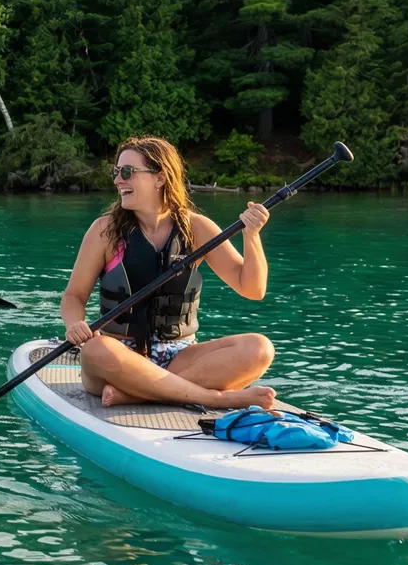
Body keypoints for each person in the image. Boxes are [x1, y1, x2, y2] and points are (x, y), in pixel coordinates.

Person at [58, 135, 279, 411]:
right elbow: (73, 296)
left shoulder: (196, 228)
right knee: (94, 349)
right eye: (116, 172)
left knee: (259, 349)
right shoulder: (104, 231)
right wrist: (73, 324)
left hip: (179, 355)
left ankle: (137, 395)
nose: (117, 180)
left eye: (127, 172)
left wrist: (252, 237)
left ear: (160, 178)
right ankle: (212, 398)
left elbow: (252, 289)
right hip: (119, 358)